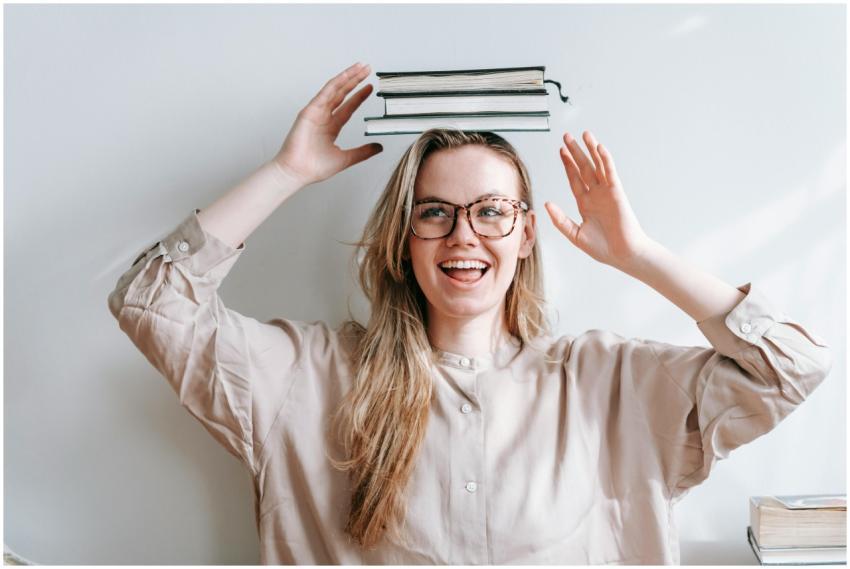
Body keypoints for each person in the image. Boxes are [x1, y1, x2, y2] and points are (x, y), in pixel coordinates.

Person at [107, 62, 833, 565]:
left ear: (524, 234)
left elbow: (791, 367)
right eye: (437, 213)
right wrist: (287, 172)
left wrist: (636, 254)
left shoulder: (606, 382)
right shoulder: (308, 377)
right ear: (404, 237)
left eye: (491, 211)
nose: (464, 235)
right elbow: (150, 301)